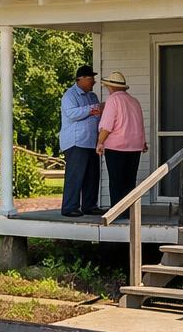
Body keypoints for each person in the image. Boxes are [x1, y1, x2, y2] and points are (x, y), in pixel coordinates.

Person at [95, 70, 147, 220]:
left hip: (116, 147)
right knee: (129, 181)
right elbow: (139, 123)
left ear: (110, 87)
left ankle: (117, 212)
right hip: (135, 146)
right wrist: (142, 142)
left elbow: (107, 125)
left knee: (116, 181)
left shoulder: (113, 100)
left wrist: (100, 142)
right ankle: (129, 212)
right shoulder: (134, 101)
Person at [59, 65, 104, 217]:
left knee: (92, 175)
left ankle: (90, 205)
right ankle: (69, 207)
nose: (94, 82)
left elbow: (98, 115)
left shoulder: (93, 96)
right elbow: (71, 113)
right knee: (75, 175)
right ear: (81, 79)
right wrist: (91, 110)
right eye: (91, 79)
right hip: (76, 142)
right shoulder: (69, 95)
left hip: (91, 142)